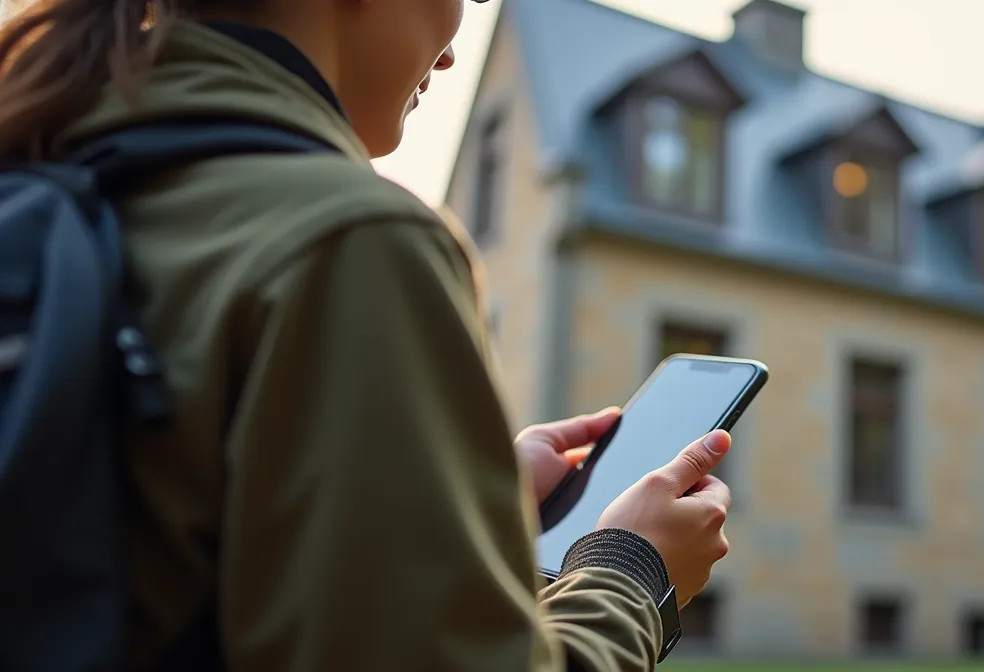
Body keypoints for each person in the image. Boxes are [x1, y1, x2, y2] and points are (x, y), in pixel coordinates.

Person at [0, 0, 734, 670]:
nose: (450, 51)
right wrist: (631, 569)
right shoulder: (355, 239)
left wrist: (471, 496)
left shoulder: (61, 174)